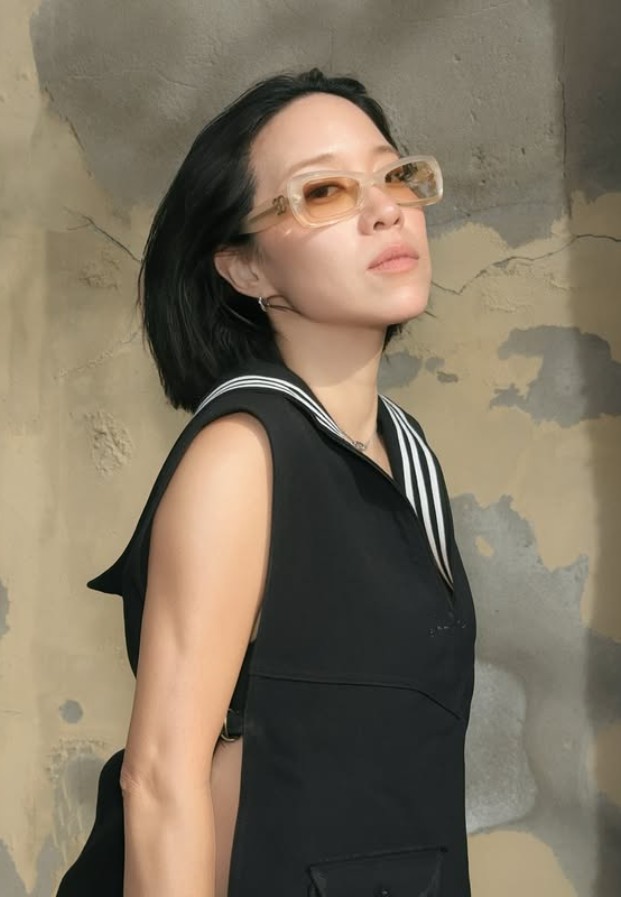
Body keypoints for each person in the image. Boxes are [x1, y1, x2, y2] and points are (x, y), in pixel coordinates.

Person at [55, 67, 476, 897]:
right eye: (323, 191)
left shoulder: (406, 452)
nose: (385, 209)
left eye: (392, 175)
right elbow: (161, 778)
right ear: (246, 269)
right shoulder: (243, 455)